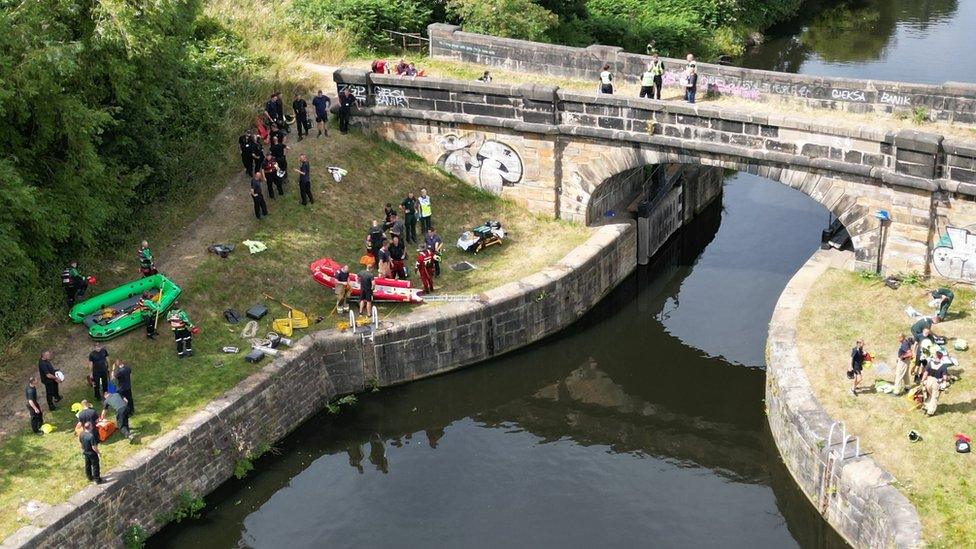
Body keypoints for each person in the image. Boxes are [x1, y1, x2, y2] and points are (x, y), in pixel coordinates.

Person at [921, 352, 950, 416]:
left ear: (936, 357)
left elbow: (925, 373)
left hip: (928, 381)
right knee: (935, 397)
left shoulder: (930, 363)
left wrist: (922, 380)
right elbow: (945, 377)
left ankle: (926, 407)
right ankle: (930, 412)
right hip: (936, 383)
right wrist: (944, 380)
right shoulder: (943, 366)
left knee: (929, 395)